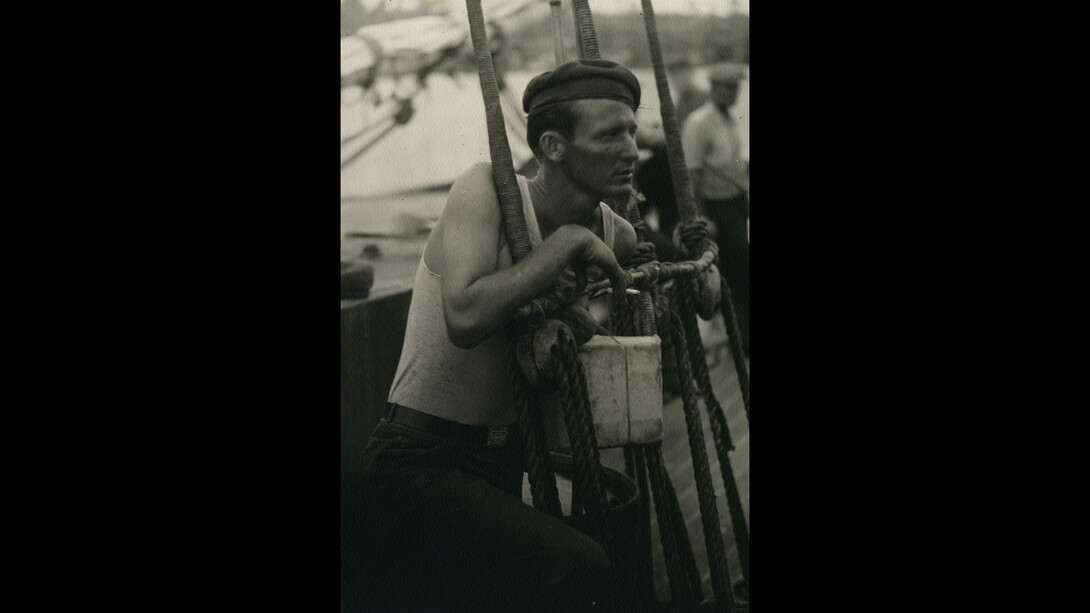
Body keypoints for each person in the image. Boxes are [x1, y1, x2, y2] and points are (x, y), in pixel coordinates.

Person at [341, 58, 641, 612]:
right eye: (609, 135)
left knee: (620, 529)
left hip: (506, 463)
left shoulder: (614, 236)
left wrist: (581, 315)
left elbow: (612, 289)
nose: (631, 150)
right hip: (419, 461)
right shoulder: (485, 190)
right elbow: (464, 316)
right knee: (582, 568)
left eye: (632, 131)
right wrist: (566, 243)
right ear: (553, 146)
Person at [681, 63, 750, 355]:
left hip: (736, 202)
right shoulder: (699, 122)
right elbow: (692, 176)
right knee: (738, 272)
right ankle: (744, 341)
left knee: (741, 269)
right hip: (716, 208)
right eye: (729, 88)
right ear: (714, 88)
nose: (735, 93)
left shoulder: (729, 120)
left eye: (737, 88)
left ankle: (742, 334)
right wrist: (703, 217)